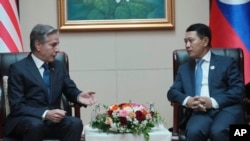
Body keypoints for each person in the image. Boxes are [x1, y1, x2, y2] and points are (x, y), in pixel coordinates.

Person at [3, 24, 96, 141]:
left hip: (52, 122)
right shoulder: (18, 69)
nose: (57, 49)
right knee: (35, 125)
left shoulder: (59, 66)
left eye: (57, 44)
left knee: (75, 123)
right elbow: (17, 106)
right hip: (26, 121)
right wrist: (45, 113)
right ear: (38, 45)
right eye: (53, 45)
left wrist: (78, 95)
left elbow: (69, 89)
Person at [167, 23, 245, 141]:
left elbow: (238, 90)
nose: (187, 45)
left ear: (205, 41)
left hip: (226, 109)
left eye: (191, 41)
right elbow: (172, 92)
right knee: (194, 132)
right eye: (185, 41)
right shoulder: (184, 68)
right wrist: (189, 101)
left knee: (219, 131)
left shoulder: (227, 63)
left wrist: (212, 102)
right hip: (199, 112)